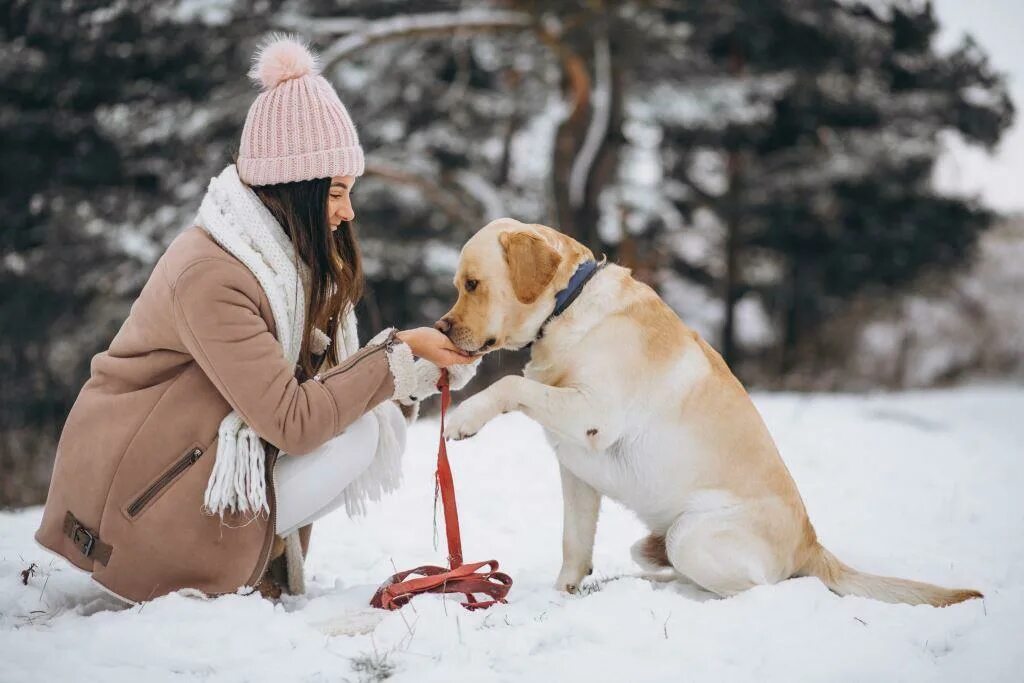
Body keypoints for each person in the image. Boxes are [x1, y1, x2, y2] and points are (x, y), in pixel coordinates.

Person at [34, 36, 478, 603]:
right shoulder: (213, 275)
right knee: (355, 435)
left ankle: (249, 562)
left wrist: (414, 368)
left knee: (366, 426)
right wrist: (396, 356)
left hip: (177, 472)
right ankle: (198, 571)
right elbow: (295, 421)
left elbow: (326, 394)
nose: (348, 212)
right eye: (337, 192)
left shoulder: (278, 266)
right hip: (134, 507)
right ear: (296, 189)